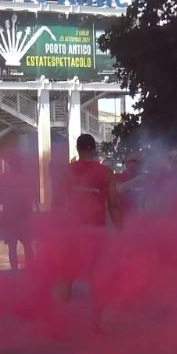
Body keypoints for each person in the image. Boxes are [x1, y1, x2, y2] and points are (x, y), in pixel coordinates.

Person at [52, 134, 122, 312]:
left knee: (66, 275)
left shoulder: (67, 171)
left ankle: (59, 321)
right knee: (97, 275)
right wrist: (122, 231)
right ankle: (98, 323)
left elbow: (58, 203)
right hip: (96, 231)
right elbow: (113, 204)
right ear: (93, 149)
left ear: (77, 149)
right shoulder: (106, 173)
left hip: (73, 230)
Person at [0, 151, 34, 270]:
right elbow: (31, 196)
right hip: (25, 216)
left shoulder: (5, 178)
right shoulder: (26, 178)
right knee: (28, 245)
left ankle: (14, 272)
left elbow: (0, 197)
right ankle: (30, 269)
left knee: (12, 247)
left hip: (10, 217)